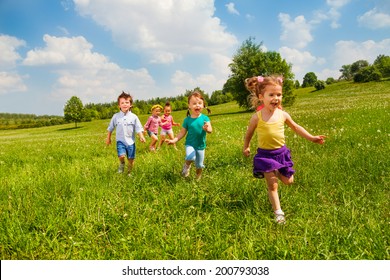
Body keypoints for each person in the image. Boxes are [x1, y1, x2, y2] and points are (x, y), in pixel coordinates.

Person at [243, 75, 326, 224]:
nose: (276, 98)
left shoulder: (283, 115)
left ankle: (277, 170)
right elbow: (249, 133)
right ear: (261, 97)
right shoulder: (257, 117)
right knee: (272, 185)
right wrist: (246, 146)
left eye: (279, 95)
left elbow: (296, 127)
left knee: (289, 181)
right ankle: (278, 212)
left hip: (281, 154)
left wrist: (311, 137)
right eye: (272, 95)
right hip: (265, 155)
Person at [166, 91, 212, 180]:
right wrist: (174, 140)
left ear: (203, 105)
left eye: (199, 103)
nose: (197, 105)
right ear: (189, 106)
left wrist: (207, 129)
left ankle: (198, 178)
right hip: (190, 144)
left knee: (199, 165)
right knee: (191, 157)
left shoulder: (205, 118)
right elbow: (182, 132)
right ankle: (186, 166)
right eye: (194, 103)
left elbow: (210, 130)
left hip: (201, 146)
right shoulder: (187, 120)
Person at [106, 91, 145, 175]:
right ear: (119, 105)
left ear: (130, 104)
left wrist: (141, 136)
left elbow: (138, 128)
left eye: (127, 102)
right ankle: (122, 163)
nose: (124, 104)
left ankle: (129, 173)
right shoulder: (115, 116)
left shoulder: (134, 117)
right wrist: (108, 138)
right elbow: (110, 128)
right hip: (120, 141)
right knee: (121, 156)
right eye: (122, 103)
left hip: (131, 142)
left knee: (131, 160)